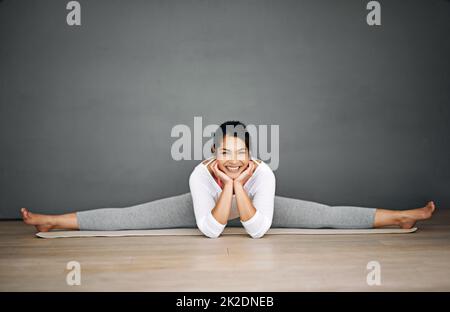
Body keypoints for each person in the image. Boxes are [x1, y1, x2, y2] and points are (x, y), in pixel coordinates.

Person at [21, 121, 436, 238]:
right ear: (213, 155)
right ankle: (53, 222)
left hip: (258, 209)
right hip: (206, 208)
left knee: (325, 214)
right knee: (132, 215)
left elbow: (256, 231)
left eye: (240, 154)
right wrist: (225, 184)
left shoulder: (264, 174)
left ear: (251, 156)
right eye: (224, 153)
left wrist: (238, 185)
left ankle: (400, 218)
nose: (233, 160)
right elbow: (213, 231)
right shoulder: (199, 175)